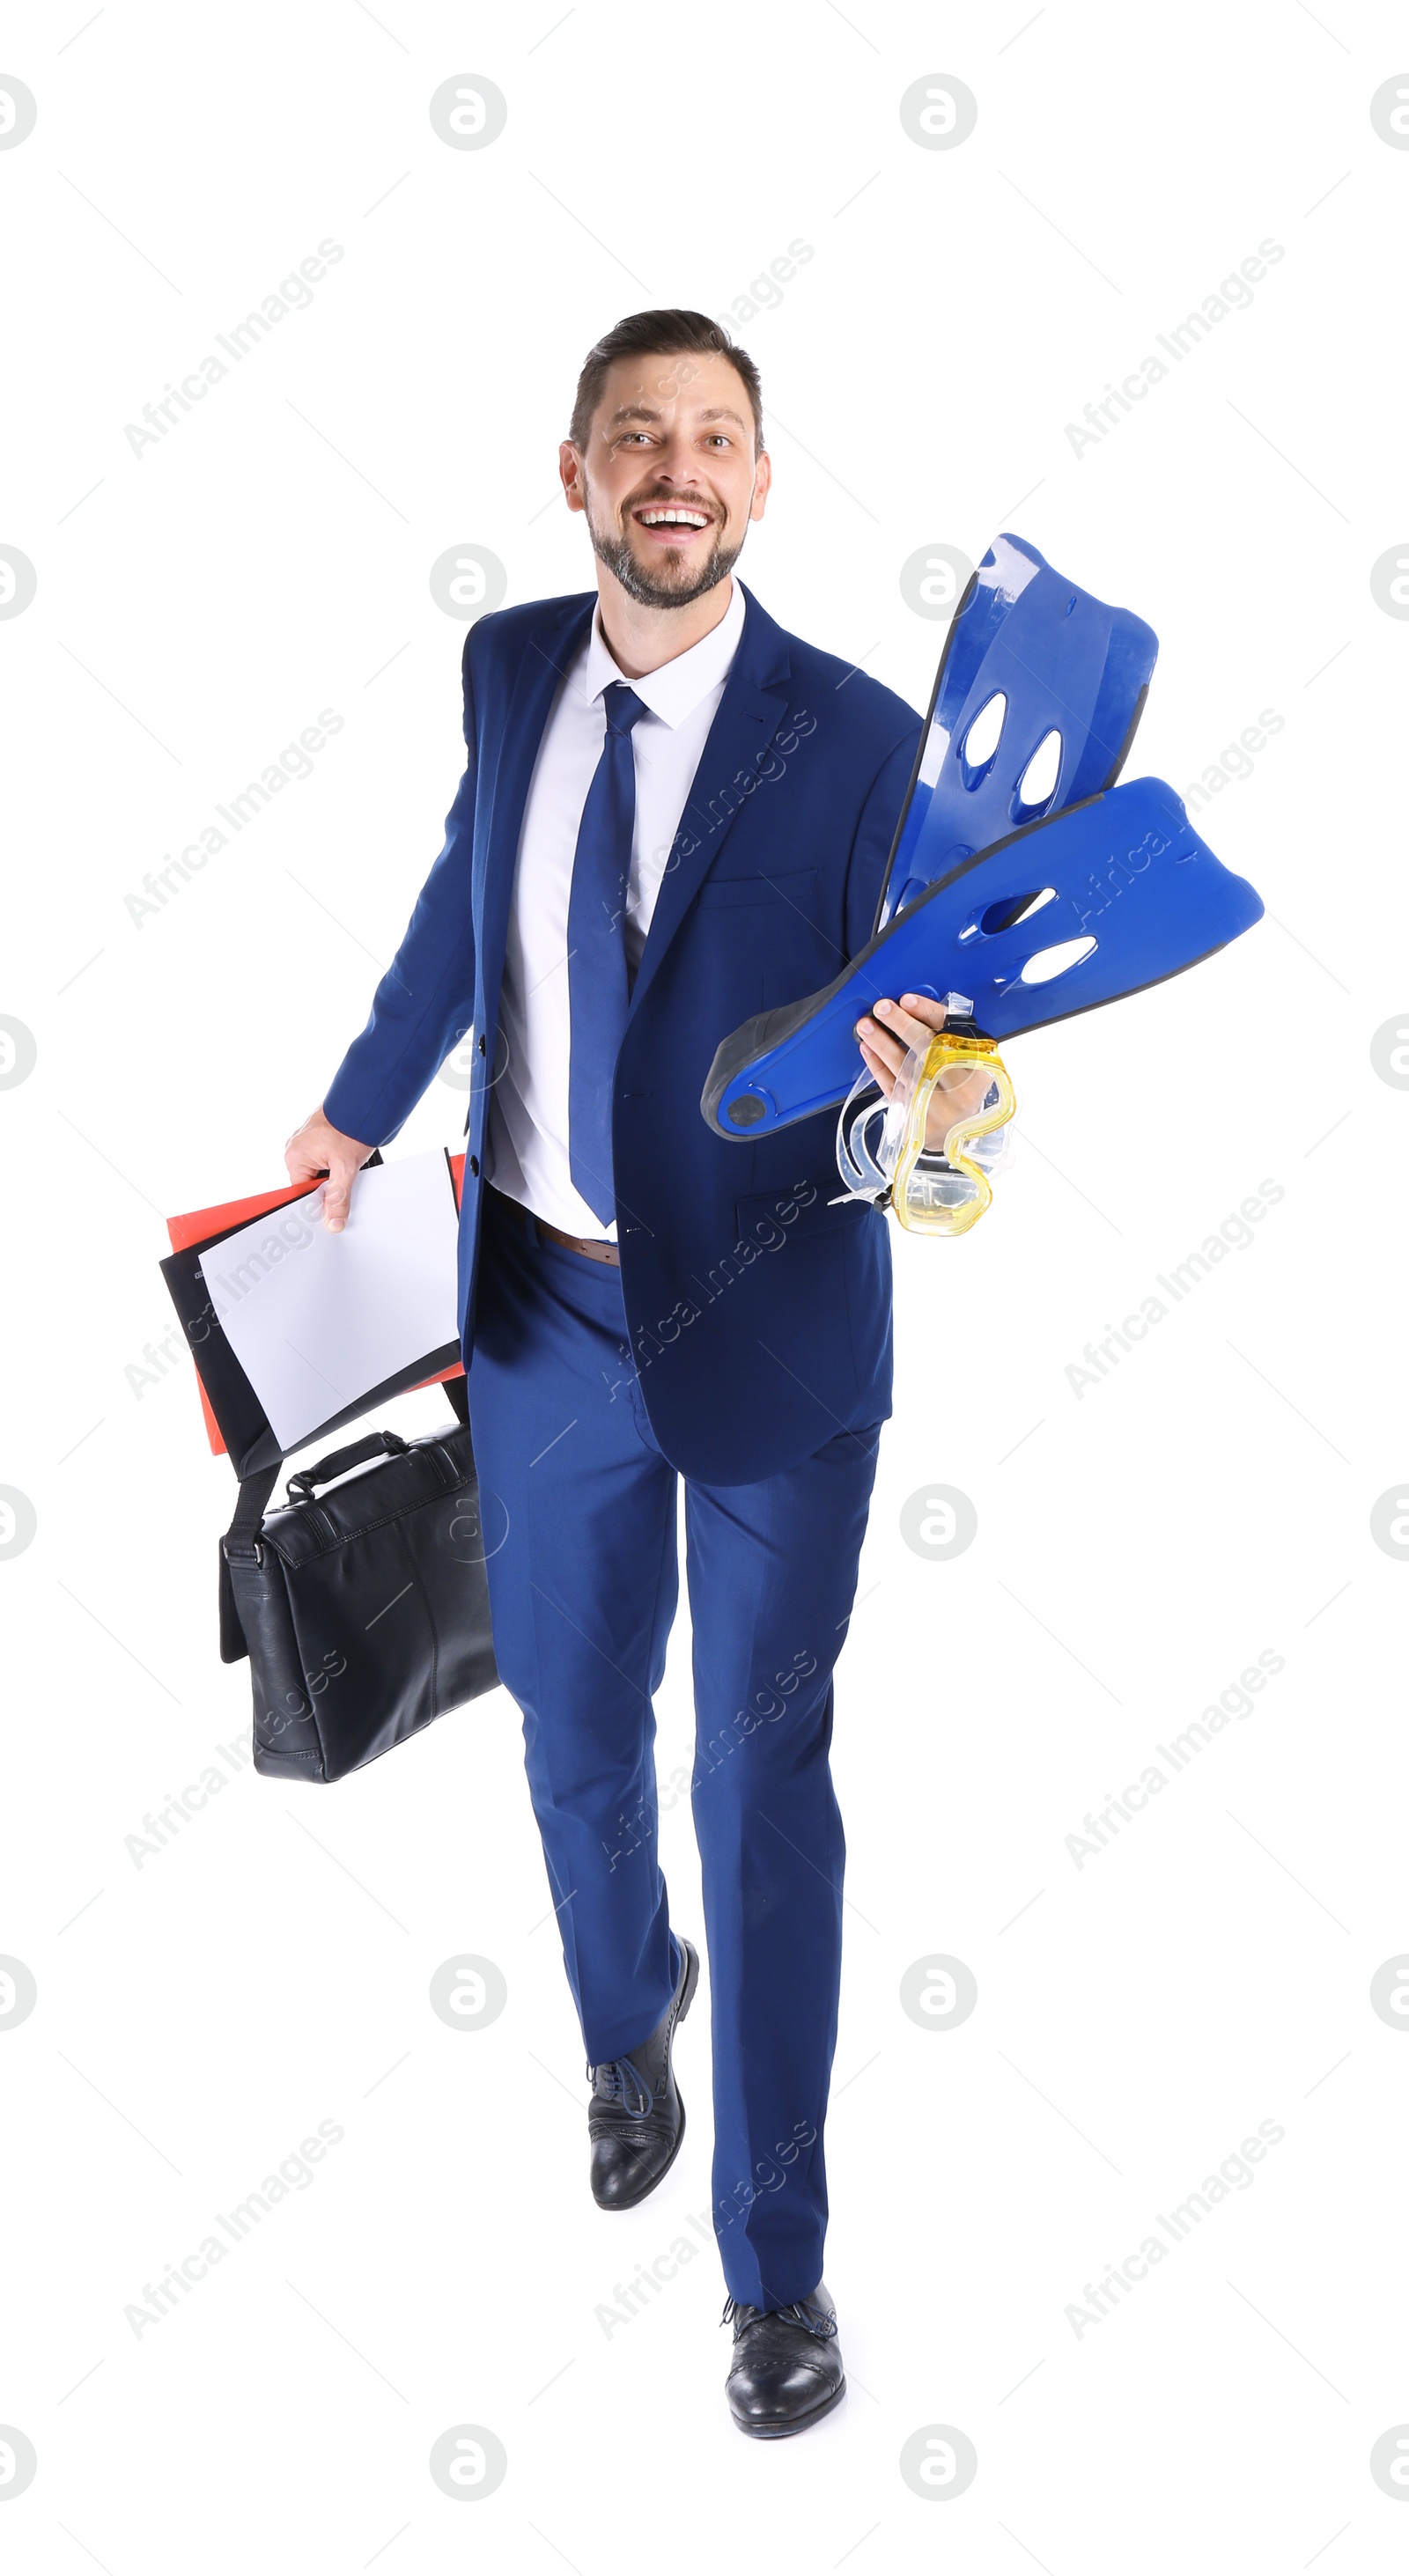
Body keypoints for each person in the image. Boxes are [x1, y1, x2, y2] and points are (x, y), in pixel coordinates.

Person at [285, 309, 962, 2438]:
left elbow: (957, 1080)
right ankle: (618, 2017)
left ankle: (776, 2275)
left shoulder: (860, 741)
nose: (676, 469)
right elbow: (457, 896)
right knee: (573, 1741)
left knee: (752, 1791)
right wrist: (358, 1106)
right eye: (635, 436)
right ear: (572, 472)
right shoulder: (504, 670)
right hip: (542, 1313)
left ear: (763, 486)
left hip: (773, 1325)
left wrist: (913, 1105)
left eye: (716, 440)